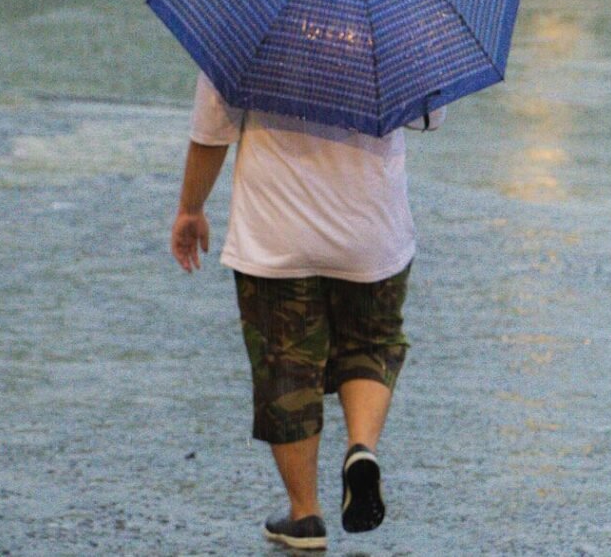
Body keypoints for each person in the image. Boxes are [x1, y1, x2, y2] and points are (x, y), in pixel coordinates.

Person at [171, 71, 446, 551]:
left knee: (287, 362)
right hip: (371, 230)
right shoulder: (395, 23)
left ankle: (305, 515)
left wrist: (190, 209)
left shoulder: (250, 21)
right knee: (372, 343)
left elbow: (212, 130)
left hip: (277, 230)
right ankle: (361, 448)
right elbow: (429, 116)